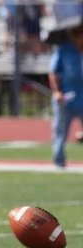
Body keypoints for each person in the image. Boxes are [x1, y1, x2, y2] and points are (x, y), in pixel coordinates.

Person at [48, 24, 83, 167]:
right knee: (60, 130)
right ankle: (59, 161)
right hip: (66, 97)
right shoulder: (64, 50)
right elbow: (53, 72)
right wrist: (57, 92)